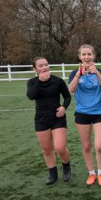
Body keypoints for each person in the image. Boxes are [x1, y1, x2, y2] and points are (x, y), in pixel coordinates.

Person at [68, 45, 101, 187]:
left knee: (99, 146)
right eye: (84, 54)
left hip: (99, 113)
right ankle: (91, 173)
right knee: (86, 146)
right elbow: (71, 90)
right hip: (82, 114)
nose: (87, 57)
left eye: (89, 54)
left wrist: (97, 73)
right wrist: (78, 75)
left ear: (93, 56)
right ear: (79, 56)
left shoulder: (100, 72)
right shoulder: (74, 72)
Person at [27, 57, 71, 185]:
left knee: (60, 147)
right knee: (46, 149)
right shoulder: (32, 82)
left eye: (46, 64)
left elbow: (67, 96)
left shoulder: (58, 81)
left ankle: (66, 167)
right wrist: (39, 82)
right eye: (40, 66)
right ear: (34, 69)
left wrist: (64, 107)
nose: (45, 67)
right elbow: (31, 96)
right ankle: (53, 174)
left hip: (57, 118)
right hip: (41, 119)